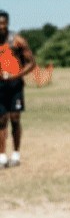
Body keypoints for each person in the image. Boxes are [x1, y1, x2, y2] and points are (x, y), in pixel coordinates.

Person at [0, 11, 36, 168]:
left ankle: (15, 153)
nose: (0, 27)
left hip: (15, 86)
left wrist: (17, 75)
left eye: (3, 23)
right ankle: (1, 156)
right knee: (1, 120)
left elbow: (31, 63)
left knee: (15, 118)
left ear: (8, 23)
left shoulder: (17, 41)